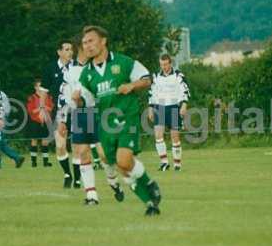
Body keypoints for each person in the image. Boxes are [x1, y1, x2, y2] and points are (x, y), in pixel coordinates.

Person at [73, 25, 162, 216]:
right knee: (122, 166)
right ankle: (150, 202)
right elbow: (87, 103)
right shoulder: (86, 74)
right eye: (84, 43)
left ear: (103, 41)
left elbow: (147, 79)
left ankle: (147, 185)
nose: (87, 46)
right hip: (105, 124)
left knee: (123, 160)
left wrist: (131, 85)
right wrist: (78, 100)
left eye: (91, 41)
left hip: (126, 119)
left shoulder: (123, 62)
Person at [59, 36, 124, 204]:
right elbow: (64, 96)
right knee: (83, 154)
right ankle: (91, 196)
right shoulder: (69, 71)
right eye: (86, 44)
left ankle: (113, 182)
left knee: (103, 155)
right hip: (80, 114)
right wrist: (62, 120)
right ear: (79, 48)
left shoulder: (97, 67)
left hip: (98, 112)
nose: (90, 47)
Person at [41, 40, 75, 187]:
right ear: (59, 52)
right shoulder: (50, 69)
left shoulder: (77, 67)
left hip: (78, 109)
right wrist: (42, 109)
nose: (70, 52)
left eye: (71, 49)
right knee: (60, 145)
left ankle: (79, 178)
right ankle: (68, 174)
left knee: (78, 145)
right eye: (66, 49)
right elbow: (44, 91)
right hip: (59, 110)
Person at [148, 54, 190, 172]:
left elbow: (185, 91)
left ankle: (177, 164)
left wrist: (184, 105)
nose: (164, 67)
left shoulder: (178, 75)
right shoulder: (156, 76)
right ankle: (164, 163)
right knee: (158, 136)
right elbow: (152, 93)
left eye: (166, 64)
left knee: (175, 137)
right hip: (159, 107)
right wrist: (151, 108)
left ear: (170, 63)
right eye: (162, 65)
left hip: (173, 107)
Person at [0, 78, 25, 169]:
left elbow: (6, 109)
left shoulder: (1, 95)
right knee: (0, 143)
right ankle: (17, 158)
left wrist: (2, 118)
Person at [26, 78, 54, 168]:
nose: (40, 89)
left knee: (45, 141)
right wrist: (40, 108)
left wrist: (44, 107)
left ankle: (46, 162)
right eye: (38, 86)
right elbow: (30, 111)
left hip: (45, 121)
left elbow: (51, 108)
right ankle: (33, 162)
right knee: (34, 140)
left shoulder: (48, 97)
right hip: (35, 121)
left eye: (41, 87)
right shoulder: (32, 98)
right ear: (35, 87)